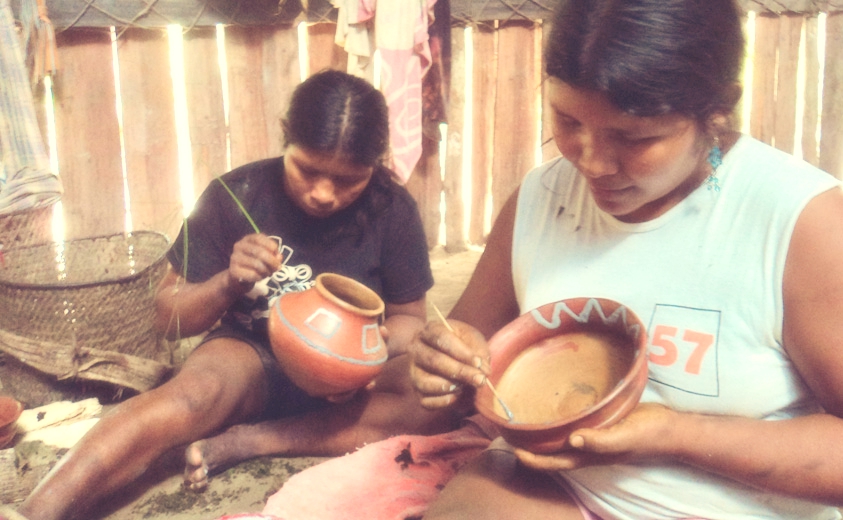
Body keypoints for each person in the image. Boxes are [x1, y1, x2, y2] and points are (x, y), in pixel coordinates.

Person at [408, 0, 843, 518]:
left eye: (634, 138)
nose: (591, 162)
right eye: (567, 120)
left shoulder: (800, 222)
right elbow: (464, 356)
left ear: (720, 107)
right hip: (559, 490)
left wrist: (675, 433)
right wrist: (445, 367)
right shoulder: (542, 198)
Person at [14, 69, 457, 520]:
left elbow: (408, 320)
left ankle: (252, 440)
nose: (324, 194)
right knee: (187, 397)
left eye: (348, 180)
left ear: (375, 166)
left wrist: (365, 358)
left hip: (351, 378)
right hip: (251, 352)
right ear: (285, 139)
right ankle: (35, 511)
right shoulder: (235, 194)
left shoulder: (391, 208)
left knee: (435, 396)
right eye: (307, 169)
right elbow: (167, 318)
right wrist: (228, 282)